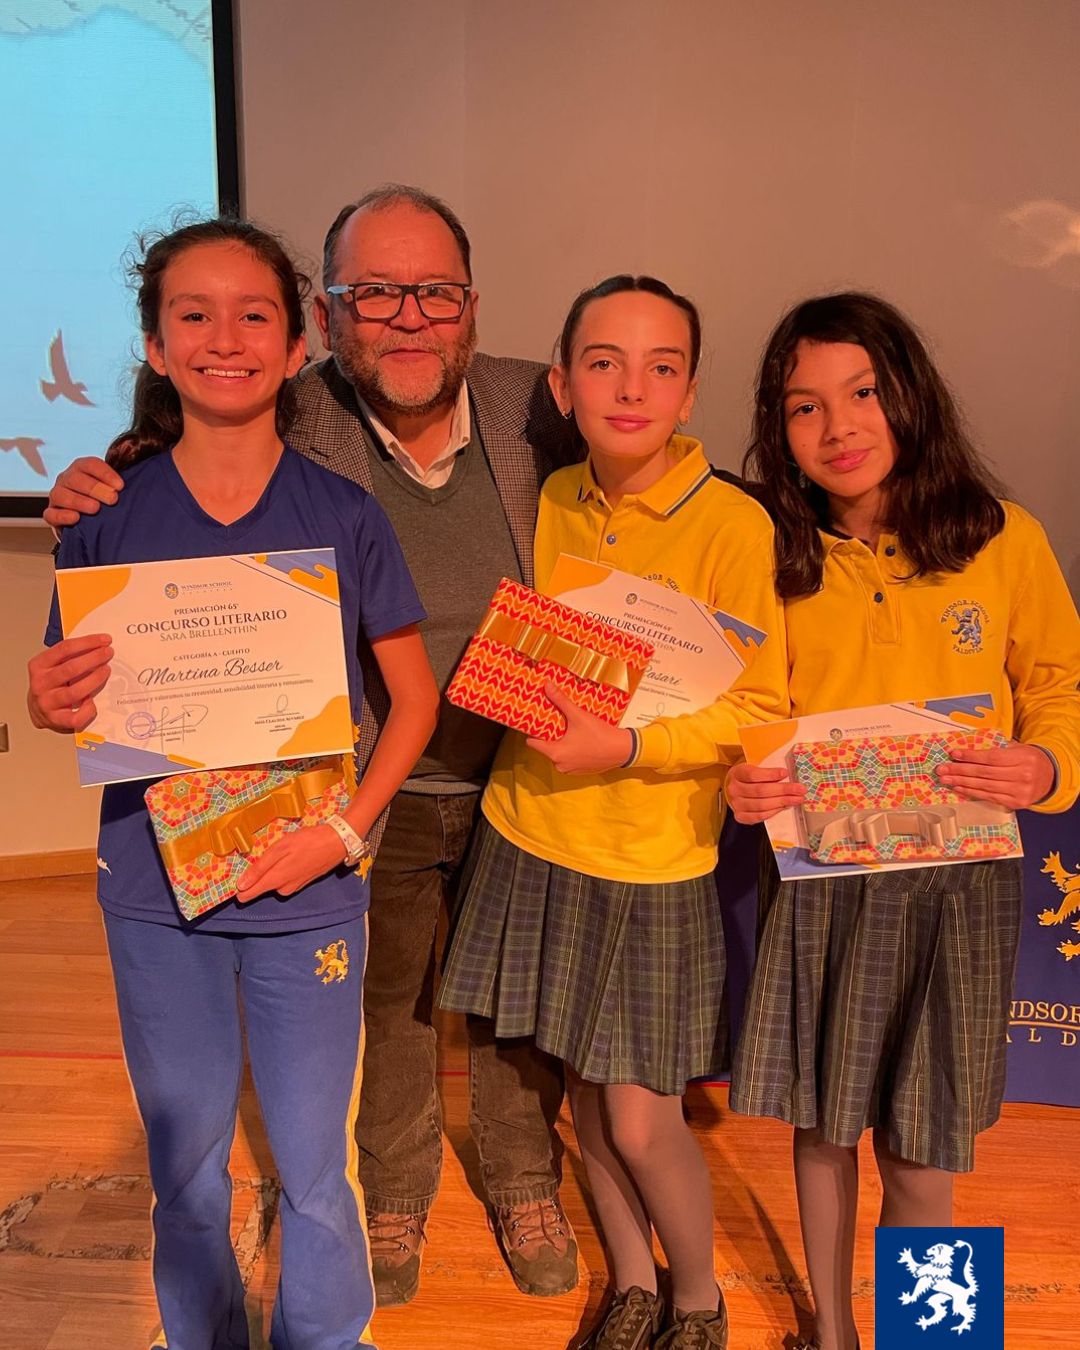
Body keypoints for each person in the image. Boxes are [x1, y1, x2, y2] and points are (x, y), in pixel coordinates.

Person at [41, 185, 581, 1305]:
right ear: (326, 324)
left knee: (513, 1009)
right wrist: (93, 502)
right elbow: (181, 468)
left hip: (518, 773)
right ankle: (393, 1193)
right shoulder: (277, 431)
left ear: (471, 303)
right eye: (374, 292)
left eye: (434, 291)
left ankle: (524, 1178)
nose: (408, 314)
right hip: (351, 790)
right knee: (386, 1013)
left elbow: (645, 455)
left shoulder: (539, 403)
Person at [28, 219, 439, 1349]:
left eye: (254, 314)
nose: (225, 338)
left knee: (313, 1165)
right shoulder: (103, 514)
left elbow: (413, 704)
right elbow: (69, 693)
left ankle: (328, 1336)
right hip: (153, 896)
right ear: (155, 346)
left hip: (309, 887)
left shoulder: (344, 514)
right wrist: (47, 698)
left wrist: (342, 835)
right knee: (188, 1168)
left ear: (298, 342)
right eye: (193, 315)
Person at [437, 275, 789, 1349]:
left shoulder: (734, 523)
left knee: (641, 1113)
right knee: (583, 1093)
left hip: (651, 860)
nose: (631, 389)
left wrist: (630, 746)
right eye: (604, 363)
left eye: (661, 367)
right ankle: (633, 1283)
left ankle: (698, 1298)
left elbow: (759, 709)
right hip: (530, 832)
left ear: (690, 393)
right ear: (562, 385)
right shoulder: (548, 499)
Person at [725, 292, 1080, 1350]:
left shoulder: (1002, 538)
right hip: (822, 883)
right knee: (825, 1125)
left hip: (959, 889)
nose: (838, 427)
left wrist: (1046, 762)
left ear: (910, 397)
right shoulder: (770, 553)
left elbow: (1059, 683)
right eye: (804, 407)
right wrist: (744, 779)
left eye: (864, 393)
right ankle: (832, 1333)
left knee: (927, 1146)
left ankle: (936, 1337)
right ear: (779, 428)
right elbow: (748, 708)